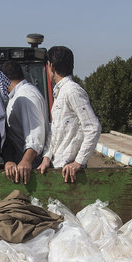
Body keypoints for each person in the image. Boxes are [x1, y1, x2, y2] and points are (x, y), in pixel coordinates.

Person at [37, 46, 101, 183]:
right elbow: (54, 130)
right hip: (58, 167)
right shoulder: (60, 92)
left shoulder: (72, 91)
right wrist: (47, 157)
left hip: (70, 172)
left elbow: (93, 127)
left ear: (51, 66)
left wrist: (78, 162)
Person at [0, 61, 50, 184]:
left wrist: (26, 160)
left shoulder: (25, 95)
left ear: (3, 79)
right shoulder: (19, 94)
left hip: (30, 170)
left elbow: (35, 133)